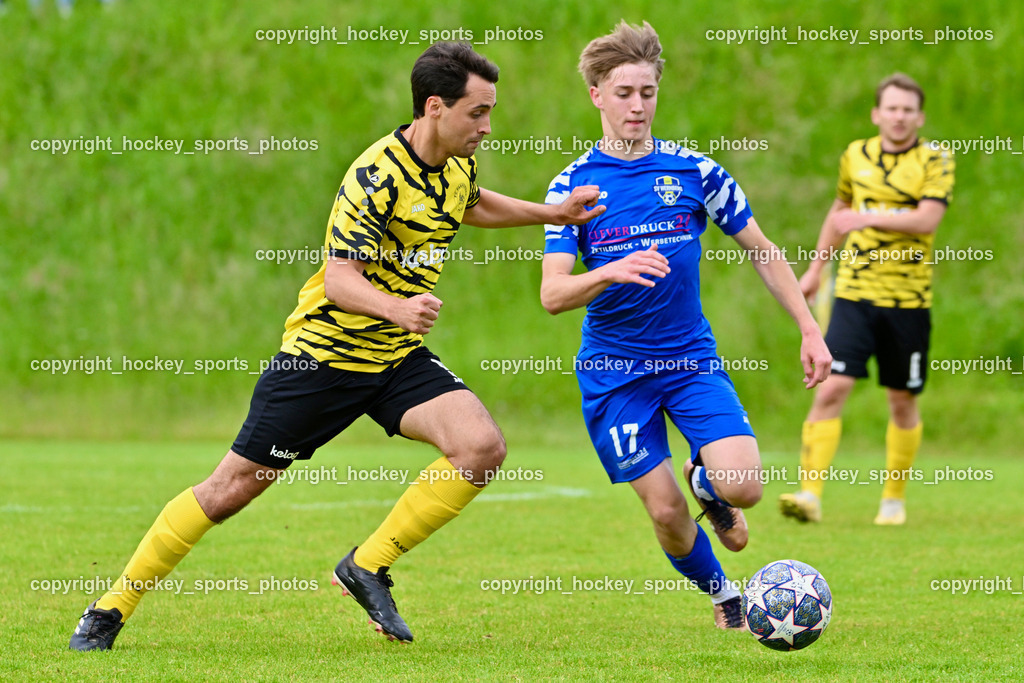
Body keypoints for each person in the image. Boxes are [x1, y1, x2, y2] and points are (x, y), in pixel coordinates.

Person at [69, 41, 604, 651]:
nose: (487, 126)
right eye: (477, 113)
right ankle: (111, 607)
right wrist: (399, 307)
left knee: (480, 447)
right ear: (435, 107)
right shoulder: (375, 175)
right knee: (232, 488)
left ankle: (366, 566)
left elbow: (473, 203)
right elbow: (344, 277)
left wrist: (553, 211)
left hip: (393, 358)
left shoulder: (457, 165)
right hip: (323, 357)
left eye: (490, 112)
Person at [540, 21, 831, 629]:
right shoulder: (573, 187)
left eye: (647, 91)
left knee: (745, 487)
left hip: (688, 359)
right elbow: (553, 294)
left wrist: (809, 329)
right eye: (623, 93)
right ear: (596, 94)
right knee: (667, 513)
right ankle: (726, 596)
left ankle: (710, 483)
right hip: (615, 372)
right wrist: (610, 270)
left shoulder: (696, 172)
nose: (637, 106)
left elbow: (762, 248)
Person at [778, 73, 954, 526]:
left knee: (901, 400)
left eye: (908, 109)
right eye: (891, 108)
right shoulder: (855, 155)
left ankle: (893, 500)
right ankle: (809, 494)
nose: (899, 116)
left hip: (908, 301)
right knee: (832, 385)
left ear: (920, 116)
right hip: (854, 295)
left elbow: (927, 219)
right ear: (877, 113)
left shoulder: (936, 158)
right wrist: (817, 269)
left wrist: (866, 215)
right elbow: (838, 215)